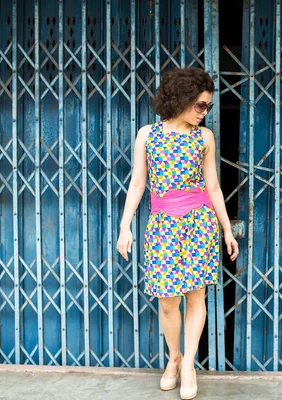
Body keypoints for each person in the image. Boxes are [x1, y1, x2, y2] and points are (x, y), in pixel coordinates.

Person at [116, 67, 238, 400]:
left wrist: (227, 229)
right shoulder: (147, 134)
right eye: (200, 105)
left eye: (208, 107)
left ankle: (188, 367)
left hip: (199, 224)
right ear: (181, 99)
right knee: (168, 302)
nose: (205, 112)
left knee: (195, 296)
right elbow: (138, 183)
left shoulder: (204, 139)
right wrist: (125, 226)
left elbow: (213, 186)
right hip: (163, 225)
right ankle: (174, 358)